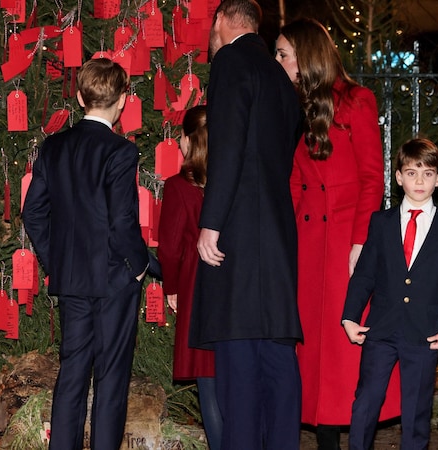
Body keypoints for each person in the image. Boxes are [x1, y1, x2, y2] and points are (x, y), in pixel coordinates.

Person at [275, 18, 401, 449]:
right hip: (307, 241)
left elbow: (372, 177)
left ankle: (355, 433)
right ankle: (324, 436)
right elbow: (292, 177)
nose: (278, 61)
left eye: (283, 53)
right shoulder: (291, 102)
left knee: (346, 347)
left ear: (306, 56)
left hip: (347, 238)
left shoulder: (357, 100)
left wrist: (362, 243)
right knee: (311, 348)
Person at [22, 58, 156, 450]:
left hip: (73, 279)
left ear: (80, 96)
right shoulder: (120, 151)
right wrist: (138, 267)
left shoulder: (54, 146)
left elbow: (33, 212)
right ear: (124, 100)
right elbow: (122, 221)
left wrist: (56, 259)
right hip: (115, 279)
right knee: (111, 380)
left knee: (72, 374)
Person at [190, 1, 304, 449]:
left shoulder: (231, 60)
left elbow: (229, 146)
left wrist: (211, 222)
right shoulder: (279, 76)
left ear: (221, 21)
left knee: (238, 361)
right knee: (276, 358)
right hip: (276, 234)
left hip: (238, 234)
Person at [341, 138, 438, 450]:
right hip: (380, 330)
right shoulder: (381, 222)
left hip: (424, 334)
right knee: (365, 404)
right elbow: (364, 276)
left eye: (428, 174)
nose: (419, 181)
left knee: (416, 411)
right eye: (412, 173)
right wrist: (349, 316)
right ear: (399, 177)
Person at [156, 105, 222, 450]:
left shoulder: (179, 186)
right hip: (232, 286)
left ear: (187, 141)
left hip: (196, 286)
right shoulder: (233, 181)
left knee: (207, 379)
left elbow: (168, 247)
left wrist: (171, 287)